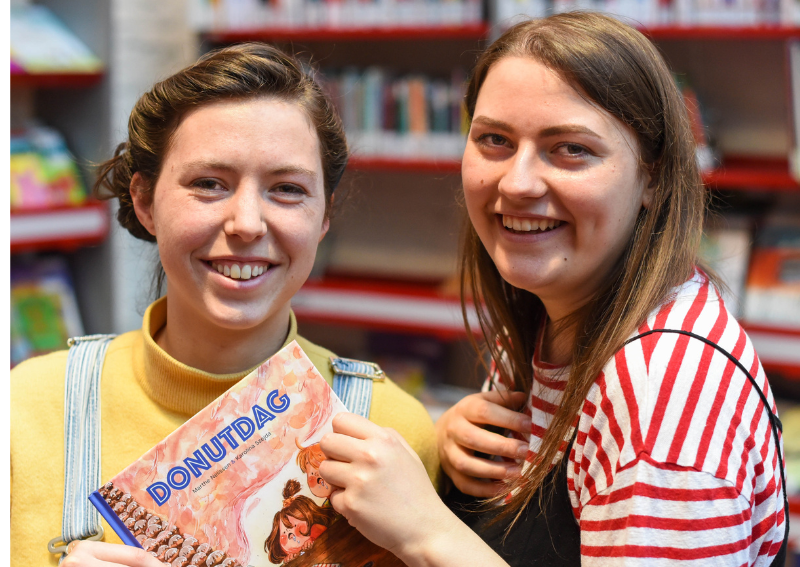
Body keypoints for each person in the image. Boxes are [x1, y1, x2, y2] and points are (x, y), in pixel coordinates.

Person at [317, 12, 787, 567]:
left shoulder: (661, 393)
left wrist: (425, 529)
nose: (517, 183)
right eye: (494, 139)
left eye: (570, 149)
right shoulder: (558, 314)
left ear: (653, 178)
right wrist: (451, 442)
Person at [9, 43, 439, 567]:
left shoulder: (393, 429)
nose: (247, 224)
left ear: (324, 216)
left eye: (286, 189)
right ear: (144, 202)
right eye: (208, 184)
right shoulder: (26, 409)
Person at [265, 479, 337, 564]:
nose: (291, 536)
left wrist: (313, 539)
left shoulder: (316, 532)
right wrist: (291, 562)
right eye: (283, 533)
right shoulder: (290, 558)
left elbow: (321, 530)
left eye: (295, 526)